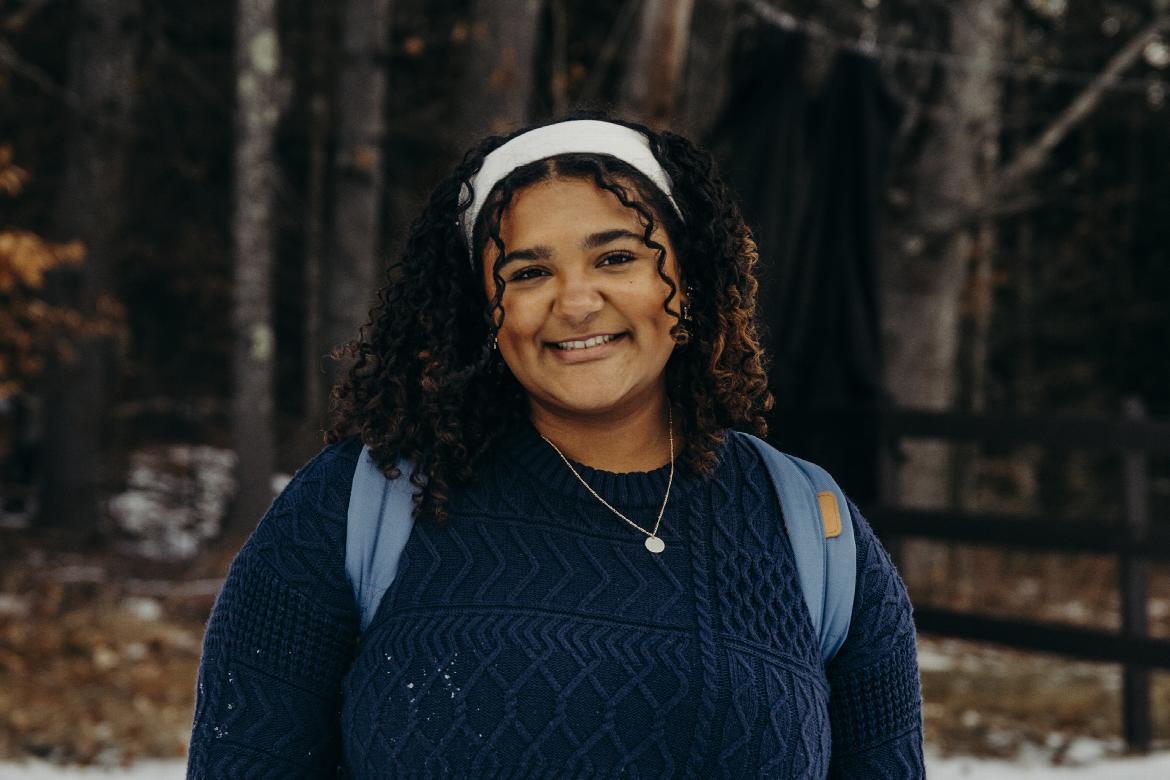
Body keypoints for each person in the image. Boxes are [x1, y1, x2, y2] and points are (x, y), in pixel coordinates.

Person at [186, 115, 923, 778]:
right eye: (529, 272)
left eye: (616, 258)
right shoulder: (362, 505)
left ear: (689, 277)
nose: (575, 302)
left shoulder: (814, 533)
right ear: (483, 310)